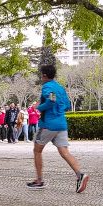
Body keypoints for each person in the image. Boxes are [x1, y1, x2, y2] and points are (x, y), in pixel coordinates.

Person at [27, 65, 88, 193]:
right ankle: (80, 175)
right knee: (64, 152)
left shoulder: (48, 87)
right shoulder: (60, 88)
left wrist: (39, 107)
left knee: (37, 150)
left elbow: (51, 100)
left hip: (48, 124)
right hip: (62, 124)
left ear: (44, 75)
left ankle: (39, 180)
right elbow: (66, 105)